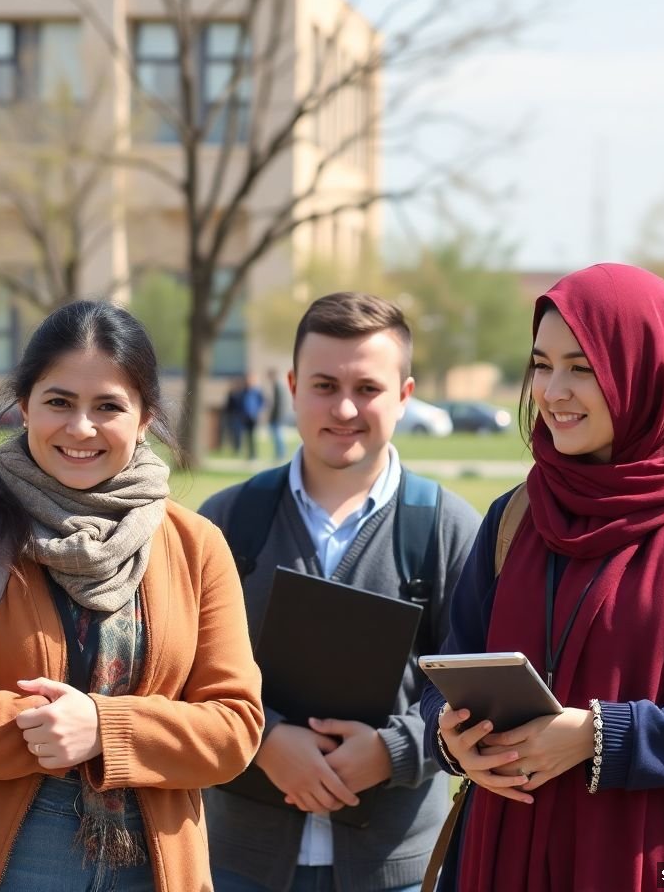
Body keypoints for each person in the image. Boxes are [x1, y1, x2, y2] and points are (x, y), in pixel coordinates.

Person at [421, 264, 664, 891]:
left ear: (646, 370)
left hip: (654, 859)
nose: (553, 391)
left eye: (583, 367)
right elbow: (446, 676)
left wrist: (601, 736)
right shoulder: (515, 515)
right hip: (500, 853)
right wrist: (451, 739)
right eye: (541, 365)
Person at [0, 300, 264, 891]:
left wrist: (105, 728)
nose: (81, 428)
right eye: (59, 402)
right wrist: (47, 726)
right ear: (23, 405)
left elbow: (234, 728)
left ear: (146, 416)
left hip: (152, 866)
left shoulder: (196, 544)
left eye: (109, 406)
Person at [200, 291, 482, 892]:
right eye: (324, 386)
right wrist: (266, 740)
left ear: (405, 396)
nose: (345, 408)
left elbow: (476, 686)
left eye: (368, 389)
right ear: (293, 386)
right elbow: (181, 671)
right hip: (237, 862)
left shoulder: (447, 526)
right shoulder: (225, 520)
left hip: (398, 866)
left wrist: (393, 749)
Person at [239, 373, 265, 460]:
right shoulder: (243, 391)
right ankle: (249, 454)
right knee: (247, 436)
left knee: (253, 436)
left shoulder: (257, 391)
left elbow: (263, 402)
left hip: (253, 416)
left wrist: (258, 411)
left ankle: (254, 454)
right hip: (245, 417)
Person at [267, 367, 289, 461]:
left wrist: (275, 417)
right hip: (277, 416)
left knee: (278, 436)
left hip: (277, 417)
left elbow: (279, 404)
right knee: (277, 436)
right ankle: (279, 454)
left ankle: (280, 454)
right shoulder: (277, 385)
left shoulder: (278, 386)